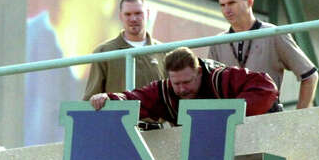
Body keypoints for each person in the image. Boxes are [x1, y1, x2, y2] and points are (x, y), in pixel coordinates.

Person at [89, 46, 278, 125]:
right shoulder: (163, 91)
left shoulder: (221, 78)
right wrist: (109, 97)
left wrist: (227, 116)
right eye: (176, 83)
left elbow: (266, 87)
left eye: (187, 82)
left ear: (199, 72)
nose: (181, 89)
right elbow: (134, 99)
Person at [209, 0, 319, 111]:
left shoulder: (273, 34)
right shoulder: (217, 42)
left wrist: (297, 119)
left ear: (249, 2)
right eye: (222, 5)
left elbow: (310, 75)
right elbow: (210, 89)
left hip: (267, 117)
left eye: (231, 3)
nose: (226, 10)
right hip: (229, 119)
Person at [82, 0, 166, 102]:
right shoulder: (103, 52)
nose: (133, 19)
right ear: (120, 16)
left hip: (154, 119)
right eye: (128, 14)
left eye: (138, 13)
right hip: (118, 118)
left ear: (148, 14)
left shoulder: (164, 52)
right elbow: (91, 100)